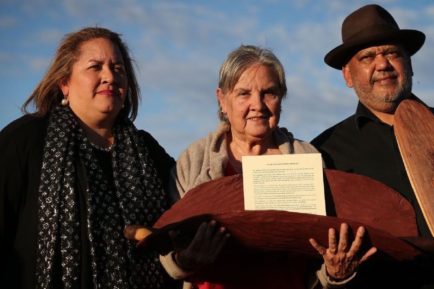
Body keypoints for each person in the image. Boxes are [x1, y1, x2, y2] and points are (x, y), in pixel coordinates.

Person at [157, 45, 376, 289]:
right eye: (243, 93)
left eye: (269, 92)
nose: (257, 105)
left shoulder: (307, 157)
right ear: (222, 99)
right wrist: (185, 261)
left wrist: (335, 272)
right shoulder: (193, 161)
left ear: (281, 98)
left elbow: (325, 244)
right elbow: (166, 246)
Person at [0, 27, 180, 289]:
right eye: (95, 67)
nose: (109, 76)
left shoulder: (148, 151)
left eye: (118, 68)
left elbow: (184, 213)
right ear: (65, 83)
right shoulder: (25, 140)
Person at [311, 4, 434, 289]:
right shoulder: (324, 152)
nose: (382, 64)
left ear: (410, 62)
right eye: (367, 57)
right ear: (347, 75)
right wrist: (336, 274)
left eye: (392, 53)